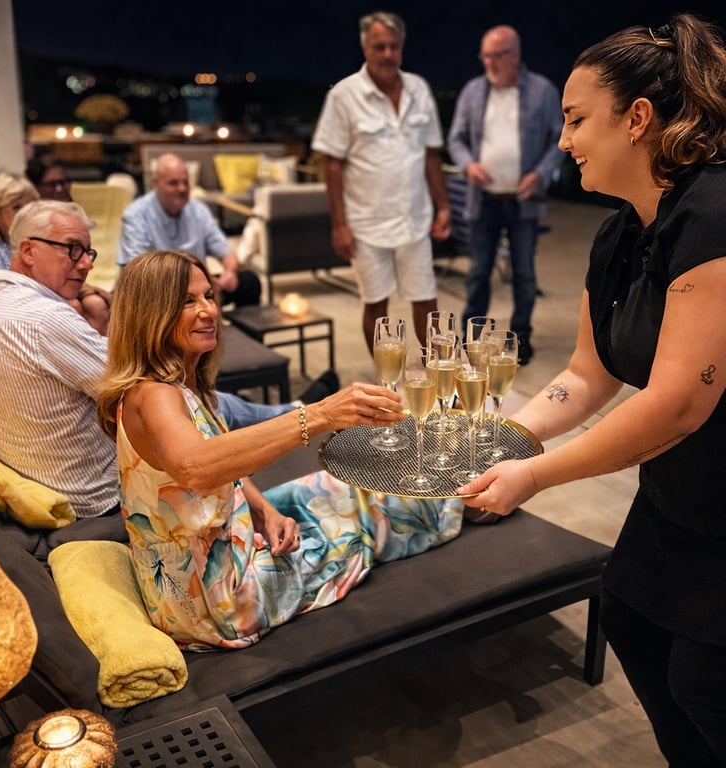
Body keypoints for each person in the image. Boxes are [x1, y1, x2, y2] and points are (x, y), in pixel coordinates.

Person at [457, 14, 726, 765]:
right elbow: (587, 374)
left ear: (636, 119)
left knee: (703, 680)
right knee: (634, 627)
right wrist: (506, 441)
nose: (564, 139)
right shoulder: (618, 235)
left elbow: (678, 404)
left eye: (576, 120)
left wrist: (534, 476)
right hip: (681, 492)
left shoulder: (713, 215)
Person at [96, 249, 464, 649]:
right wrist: (319, 414)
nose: (209, 311)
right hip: (218, 601)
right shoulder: (153, 395)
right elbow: (194, 468)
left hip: (221, 550)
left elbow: (221, 464)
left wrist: (264, 512)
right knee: (365, 515)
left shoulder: (180, 383)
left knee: (347, 481)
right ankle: (464, 501)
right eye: (188, 301)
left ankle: (454, 489)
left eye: (209, 296)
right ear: (150, 314)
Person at [0, 200, 330, 524]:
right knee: (200, 397)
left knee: (206, 396)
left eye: (88, 252)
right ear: (27, 250)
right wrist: (315, 418)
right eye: (72, 249)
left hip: (47, 475)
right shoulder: (44, 320)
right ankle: (301, 410)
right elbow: (139, 378)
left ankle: (298, 409)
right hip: (103, 496)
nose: (85, 264)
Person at [311, 11, 451, 354]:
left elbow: (431, 155)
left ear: (402, 47)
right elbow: (333, 165)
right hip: (366, 224)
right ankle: (387, 378)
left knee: (427, 300)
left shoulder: (419, 89)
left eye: (394, 46)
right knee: (376, 304)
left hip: (414, 218)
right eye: (379, 47)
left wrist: (444, 206)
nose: (387, 54)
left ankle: (438, 373)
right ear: (365, 48)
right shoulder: (344, 95)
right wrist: (339, 225)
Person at [447, 25, 563, 365]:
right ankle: (473, 337)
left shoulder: (542, 91)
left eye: (496, 56)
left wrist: (540, 174)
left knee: (523, 272)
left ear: (514, 54)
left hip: (524, 200)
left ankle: (520, 336)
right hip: (483, 200)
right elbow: (455, 139)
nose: (490, 63)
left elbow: (558, 139)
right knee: (478, 272)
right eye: (485, 56)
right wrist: (468, 165)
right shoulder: (473, 91)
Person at [116, 153, 261, 308]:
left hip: (197, 287)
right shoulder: (135, 215)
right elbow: (137, 273)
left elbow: (226, 253)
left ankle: (219, 321)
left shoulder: (199, 210)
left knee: (249, 282)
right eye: (174, 183)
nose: (182, 189)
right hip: (158, 291)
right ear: (156, 183)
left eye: (186, 182)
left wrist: (230, 273)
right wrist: (191, 287)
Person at [25, 157, 113, 334]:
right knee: (74, 307)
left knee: (95, 305)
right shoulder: (29, 221)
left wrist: (90, 291)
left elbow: (77, 262)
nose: (60, 189)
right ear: (35, 187)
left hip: (70, 284)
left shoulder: (74, 215)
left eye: (64, 182)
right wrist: (88, 290)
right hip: (39, 287)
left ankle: (95, 350)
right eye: (52, 184)